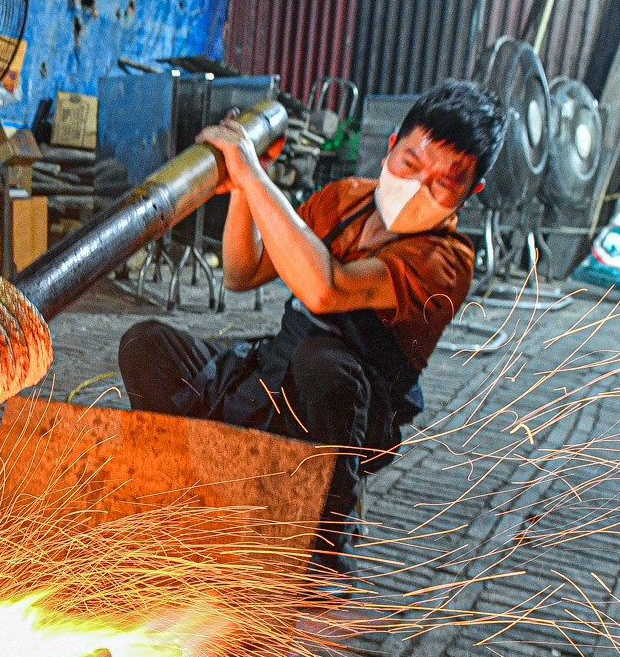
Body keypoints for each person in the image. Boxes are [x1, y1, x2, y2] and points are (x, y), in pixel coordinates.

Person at [117, 79, 507, 573]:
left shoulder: (445, 261)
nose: (416, 188)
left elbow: (327, 288)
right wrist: (244, 190)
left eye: (442, 184)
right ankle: (186, 501)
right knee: (148, 345)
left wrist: (256, 177)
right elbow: (242, 272)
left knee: (325, 364)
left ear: (468, 194)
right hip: (276, 373)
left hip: (342, 412)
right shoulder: (345, 199)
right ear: (391, 148)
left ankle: (322, 554)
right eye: (410, 164)